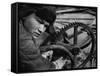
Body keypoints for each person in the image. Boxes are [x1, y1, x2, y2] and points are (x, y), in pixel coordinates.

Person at [18, 6, 67, 72]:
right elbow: (41, 67)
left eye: (45, 26)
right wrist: (56, 65)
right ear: (25, 15)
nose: (41, 30)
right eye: (39, 21)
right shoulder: (23, 40)